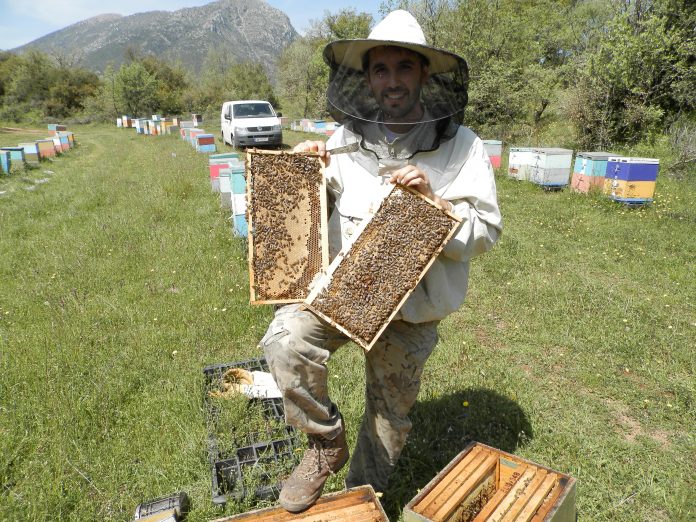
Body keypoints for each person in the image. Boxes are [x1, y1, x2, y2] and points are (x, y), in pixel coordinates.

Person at [259, 9, 502, 513]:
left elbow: (487, 233)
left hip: (413, 307)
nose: (392, 81)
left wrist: (440, 210)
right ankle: (325, 442)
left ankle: (362, 499)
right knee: (286, 341)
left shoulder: (463, 146)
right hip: (347, 290)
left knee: (389, 418)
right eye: (380, 69)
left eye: (404, 68)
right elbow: (309, 219)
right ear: (366, 78)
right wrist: (306, 174)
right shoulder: (345, 139)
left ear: (424, 74)